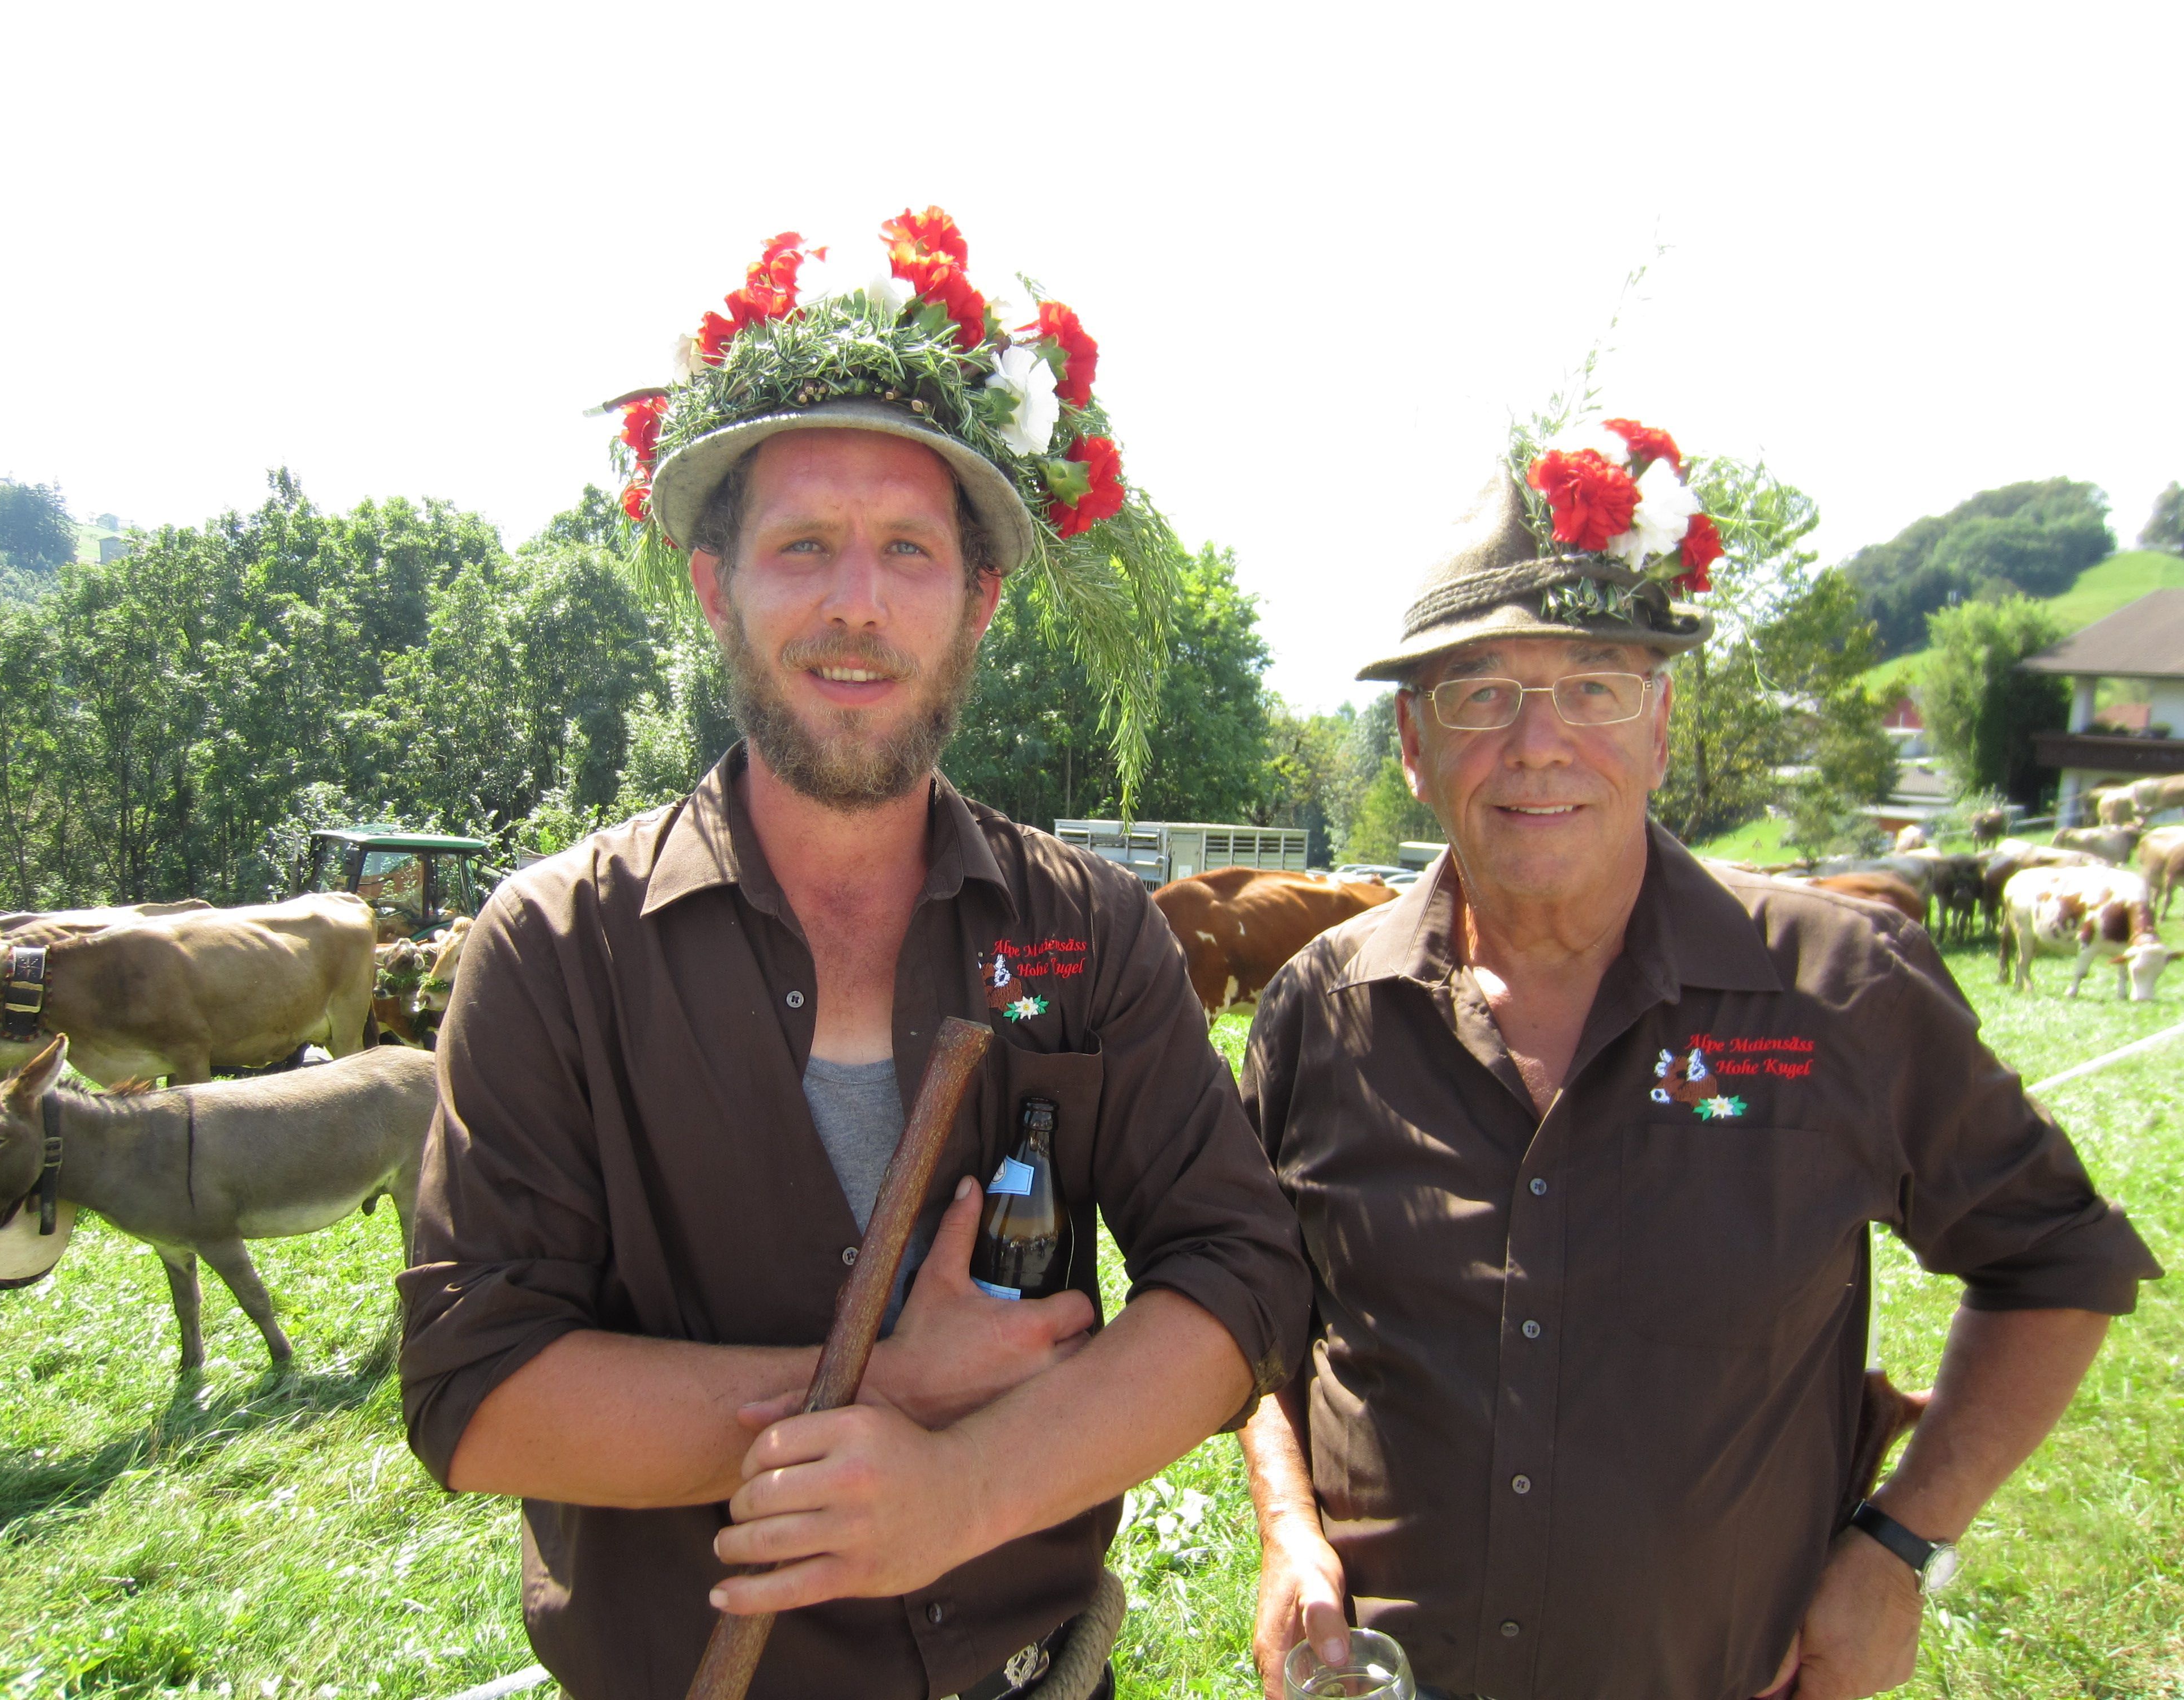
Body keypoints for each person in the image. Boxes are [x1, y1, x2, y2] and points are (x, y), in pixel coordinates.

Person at [398, 211, 1311, 1700]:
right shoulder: (554, 953)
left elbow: (1243, 1281)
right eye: (801, 547)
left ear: (980, 605)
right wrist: (875, 1392)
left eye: (907, 551)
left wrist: (964, 1492)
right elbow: (476, 1392)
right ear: (713, 589)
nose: (855, 606)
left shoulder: (1088, 934)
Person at [1236, 421, 2162, 1700]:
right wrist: (1285, 1527)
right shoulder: (1317, 1014)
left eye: (1595, 685)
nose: (1538, 742)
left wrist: (1902, 1544)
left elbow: (2055, 1262)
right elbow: (1250, 1323)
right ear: (1411, 744)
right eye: (1479, 694)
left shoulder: (1837, 987)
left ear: (1661, 726)